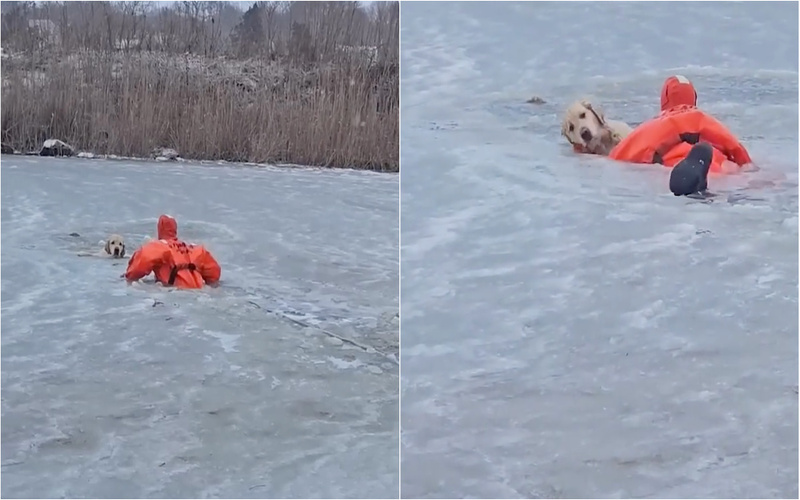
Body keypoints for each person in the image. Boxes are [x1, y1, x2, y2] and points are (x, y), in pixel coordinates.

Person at [609, 75, 753, 173]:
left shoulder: (654, 125)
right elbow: (739, 153)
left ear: (664, 99)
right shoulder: (707, 120)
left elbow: (619, 155)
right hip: (716, 164)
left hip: (675, 166)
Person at [124, 214, 221, 289]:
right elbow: (214, 274)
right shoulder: (196, 249)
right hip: (200, 292)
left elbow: (137, 268)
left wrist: (129, 277)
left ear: (159, 229)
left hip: (173, 292)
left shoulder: (158, 247)